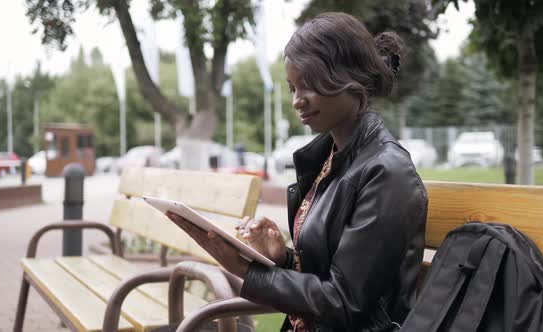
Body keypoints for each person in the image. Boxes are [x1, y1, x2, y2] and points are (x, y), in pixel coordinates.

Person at [166, 12, 427, 332]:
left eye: (308, 86)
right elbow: (331, 276)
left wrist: (249, 273)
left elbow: (345, 304)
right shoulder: (329, 159)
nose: (296, 101)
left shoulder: (387, 173)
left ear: (348, 78)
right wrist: (282, 259)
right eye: (292, 88)